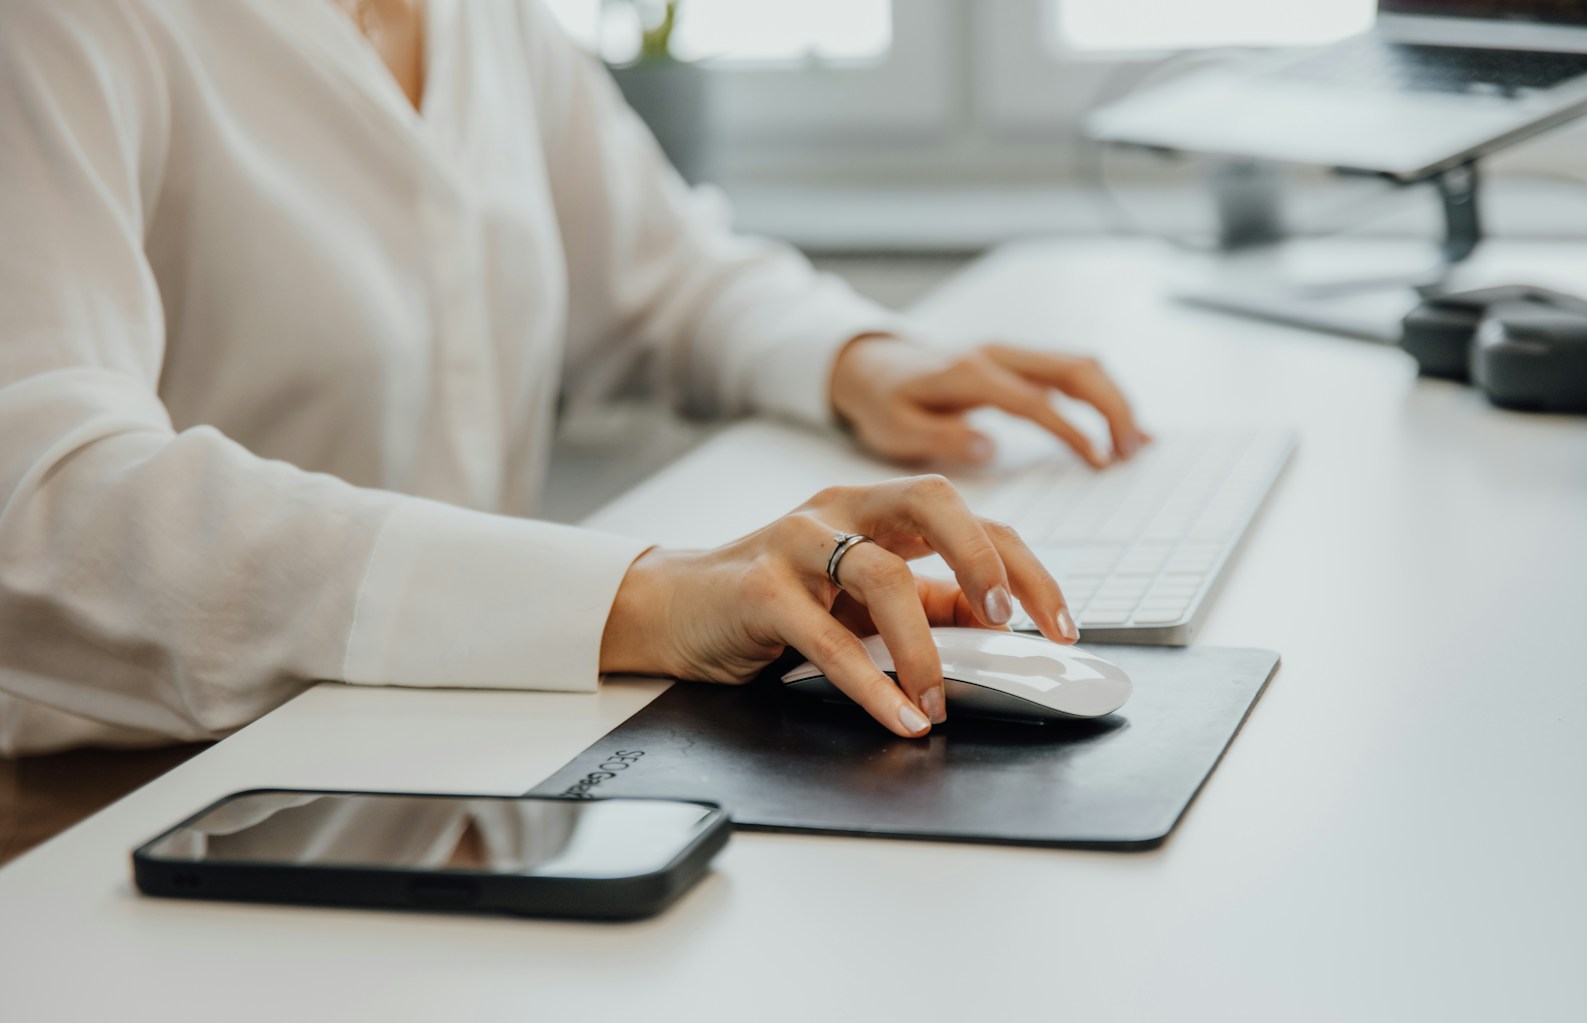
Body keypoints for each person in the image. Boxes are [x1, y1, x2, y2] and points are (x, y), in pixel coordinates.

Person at [0, 0, 1147, 760]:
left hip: (451, 738)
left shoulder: (484, 20)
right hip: (128, 793)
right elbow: (44, 501)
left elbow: (664, 273)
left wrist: (861, 358)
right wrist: (642, 597)